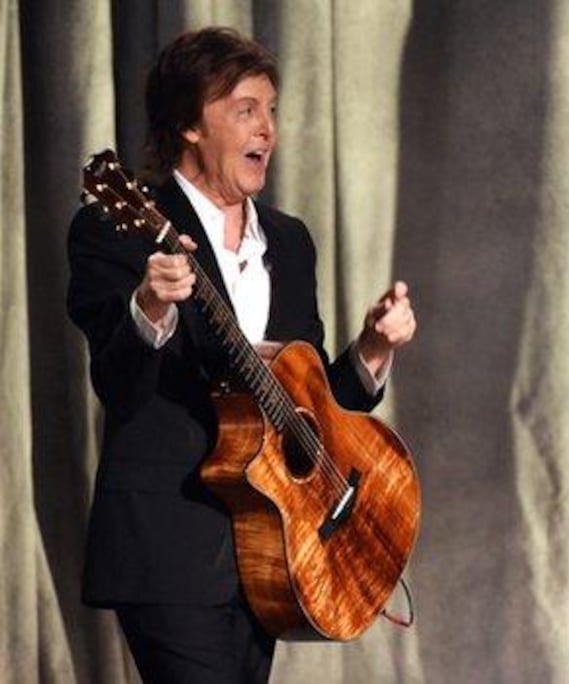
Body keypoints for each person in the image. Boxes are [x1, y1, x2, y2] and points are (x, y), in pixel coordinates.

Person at [66, 27, 417, 683]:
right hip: (168, 543)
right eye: (246, 109)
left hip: (271, 552)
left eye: (272, 109)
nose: (268, 129)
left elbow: (310, 406)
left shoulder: (288, 242)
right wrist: (151, 307)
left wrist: (371, 348)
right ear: (189, 124)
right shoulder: (116, 224)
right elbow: (117, 385)